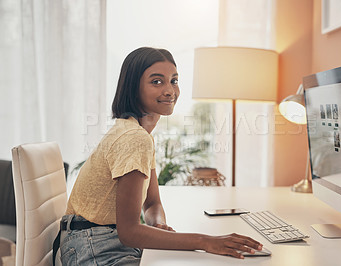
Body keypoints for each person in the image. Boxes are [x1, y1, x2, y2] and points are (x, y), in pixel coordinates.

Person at [59, 47, 263, 265]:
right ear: (133, 88)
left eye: (173, 81)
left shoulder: (140, 134)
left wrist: (157, 225)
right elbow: (129, 231)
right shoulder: (133, 138)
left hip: (102, 241)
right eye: (157, 82)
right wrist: (206, 242)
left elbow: (152, 203)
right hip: (95, 247)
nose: (169, 90)